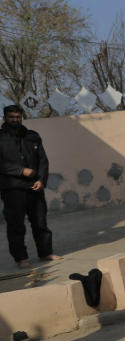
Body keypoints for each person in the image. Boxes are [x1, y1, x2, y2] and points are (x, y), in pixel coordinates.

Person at [0, 104, 62, 268]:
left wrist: (42, 180)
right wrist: (20, 171)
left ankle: (45, 252)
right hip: (12, 189)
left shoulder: (32, 136)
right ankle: (21, 258)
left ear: (22, 117)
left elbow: (43, 160)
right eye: (11, 117)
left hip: (35, 187)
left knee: (40, 222)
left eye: (18, 117)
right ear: (5, 118)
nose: (15, 120)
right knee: (16, 226)